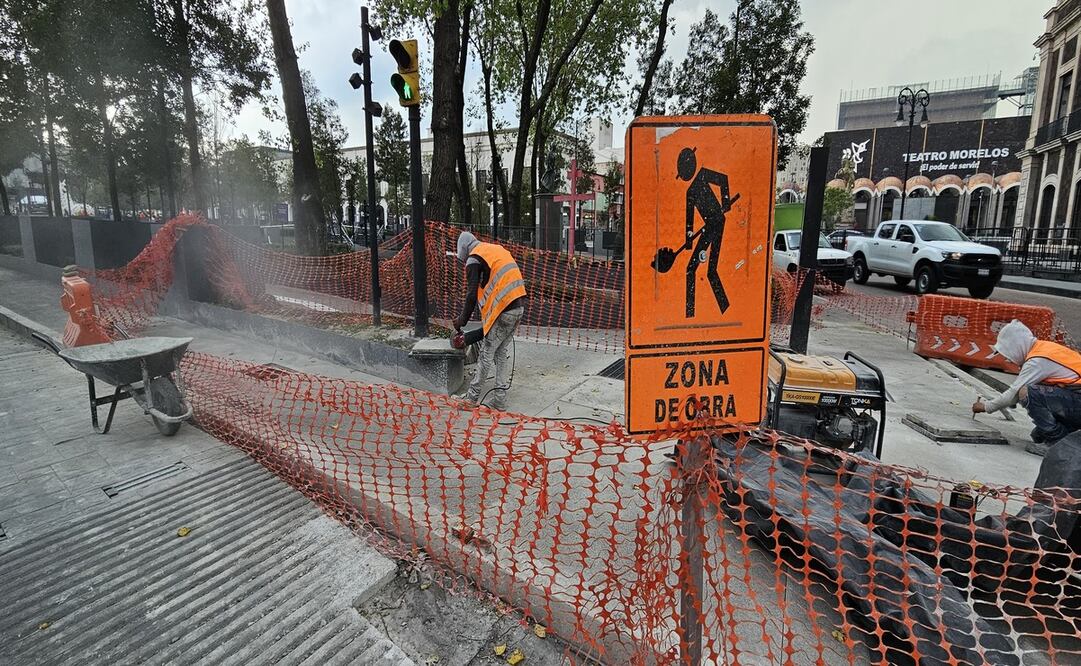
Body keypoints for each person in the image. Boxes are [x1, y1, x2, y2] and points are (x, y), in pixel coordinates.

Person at [972, 320, 1081, 456]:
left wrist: (985, 407)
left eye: (1008, 354)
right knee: (1038, 435)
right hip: (1076, 399)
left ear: (1015, 346)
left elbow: (1014, 394)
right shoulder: (1044, 348)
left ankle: (1056, 442)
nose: (1009, 360)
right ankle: (1067, 438)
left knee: (1027, 392)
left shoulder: (1038, 360)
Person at [453, 231, 527, 410]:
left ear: (464, 249)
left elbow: (471, 295)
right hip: (519, 307)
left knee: (486, 354)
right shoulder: (493, 249)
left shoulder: (474, 259)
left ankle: (471, 399)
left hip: (504, 310)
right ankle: (499, 400)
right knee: (500, 353)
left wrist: (461, 321)